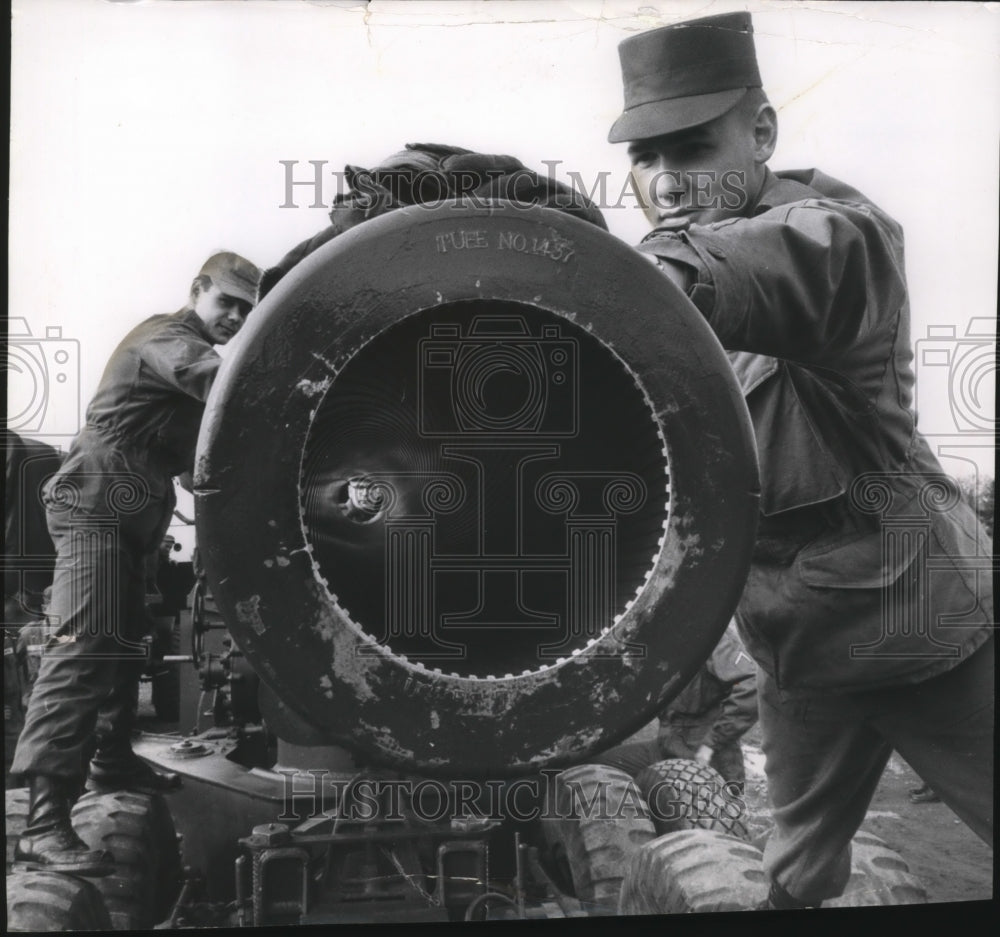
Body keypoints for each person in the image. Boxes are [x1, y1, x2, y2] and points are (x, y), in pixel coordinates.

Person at [608, 11, 993, 910]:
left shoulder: (840, 240)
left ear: (763, 134)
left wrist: (624, 280)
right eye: (644, 157)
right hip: (801, 647)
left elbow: (763, 266)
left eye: (693, 148)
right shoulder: (676, 297)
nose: (665, 182)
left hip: (920, 628)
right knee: (795, 869)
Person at [10, 251, 262, 876]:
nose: (234, 316)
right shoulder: (168, 339)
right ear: (197, 291)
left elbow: (197, 460)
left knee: (125, 643)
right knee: (84, 647)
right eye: (225, 302)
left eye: (245, 309)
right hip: (96, 503)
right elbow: (222, 385)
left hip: (135, 516)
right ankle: (43, 824)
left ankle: (111, 760)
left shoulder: (183, 379)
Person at [596, 621, 758, 794]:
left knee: (686, 811)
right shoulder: (657, 633)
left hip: (704, 755)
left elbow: (752, 686)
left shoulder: (710, 633)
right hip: (667, 746)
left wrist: (712, 743)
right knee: (598, 766)